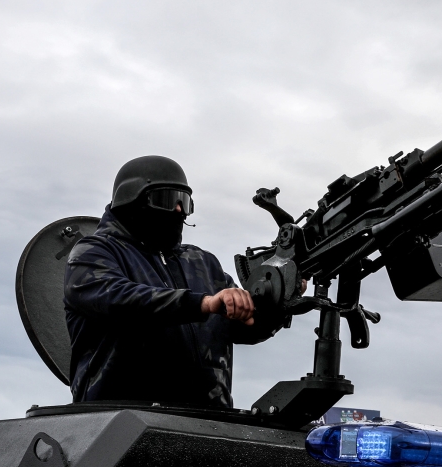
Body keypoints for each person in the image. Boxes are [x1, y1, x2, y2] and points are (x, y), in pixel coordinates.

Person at [63, 155, 284, 408]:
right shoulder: (93, 253)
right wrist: (204, 303)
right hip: (118, 421)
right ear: (131, 200)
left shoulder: (204, 263)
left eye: (185, 201)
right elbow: (119, 300)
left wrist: (279, 297)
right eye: (167, 199)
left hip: (207, 424)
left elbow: (248, 324)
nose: (178, 210)